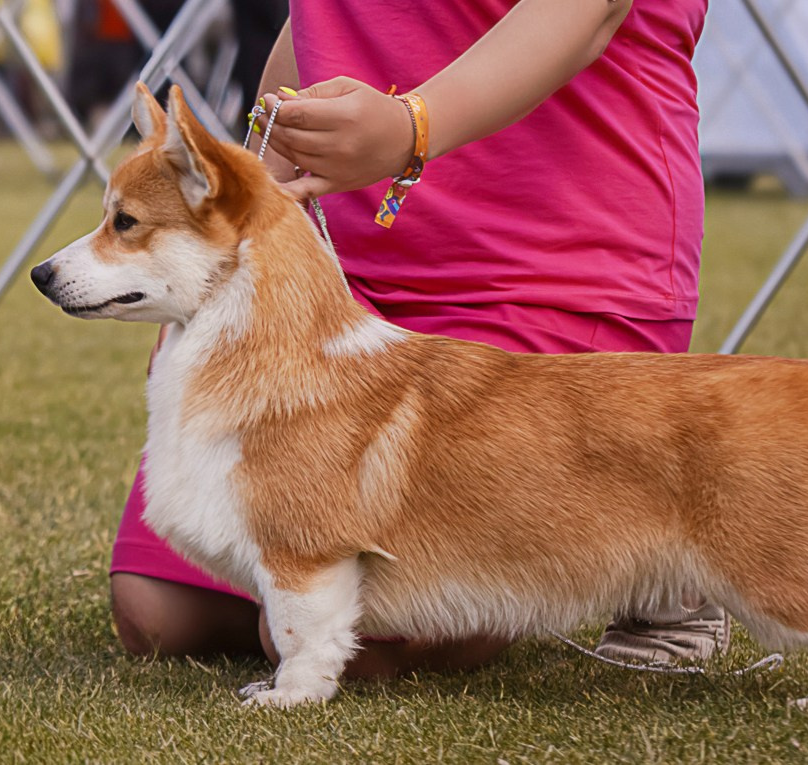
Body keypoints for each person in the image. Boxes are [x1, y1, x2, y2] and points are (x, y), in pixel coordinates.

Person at [110, 0, 724, 677]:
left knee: (357, 637)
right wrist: (248, 217)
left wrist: (410, 126)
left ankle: (657, 534)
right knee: (157, 615)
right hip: (352, 274)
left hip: (559, 258)